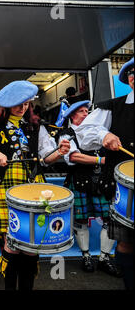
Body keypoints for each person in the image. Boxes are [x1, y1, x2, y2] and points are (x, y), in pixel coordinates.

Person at [0, 80, 70, 290]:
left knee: (31, 246)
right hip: (4, 188)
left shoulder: (37, 128)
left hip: (33, 188)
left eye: (26, 104)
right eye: (18, 104)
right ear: (6, 106)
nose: (23, 108)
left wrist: (59, 152)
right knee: (12, 245)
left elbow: (46, 157)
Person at [75, 57, 134, 290]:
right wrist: (104, 136)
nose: (134, 76)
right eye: (131, 74)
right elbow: (87, 131)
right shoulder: (112, 106)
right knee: (127, 244)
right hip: (124, 189)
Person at [60, 100, 120, 275]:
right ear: (72, 115)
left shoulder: (98, 129)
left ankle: (104, 257)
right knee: (81, 221)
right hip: (80, 181)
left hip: (102, 181)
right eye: (82, 111)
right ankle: (86, 256)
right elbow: (74, 157)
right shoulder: (66, 134)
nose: (86, 114)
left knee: (110, 219)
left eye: (87, 111)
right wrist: (101, 160)